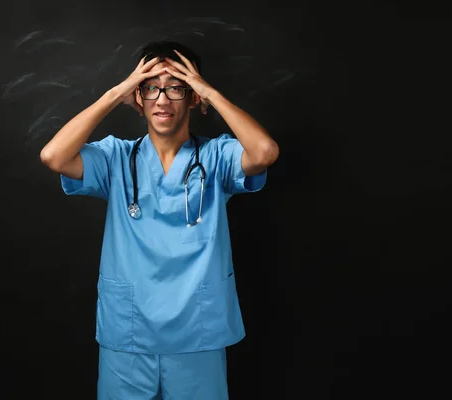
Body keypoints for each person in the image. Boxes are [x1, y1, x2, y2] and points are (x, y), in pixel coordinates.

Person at [39, 40, 279, 399]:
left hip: (197, 332)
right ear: (138, 98)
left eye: (176, 87)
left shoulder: (216, 157)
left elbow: (264, 152)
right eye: (151, 87)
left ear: (194, 97)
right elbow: (54, 156)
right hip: (128, 332)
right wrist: (115, 93)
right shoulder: (116, 158)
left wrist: (210, 92)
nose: (162, 99)